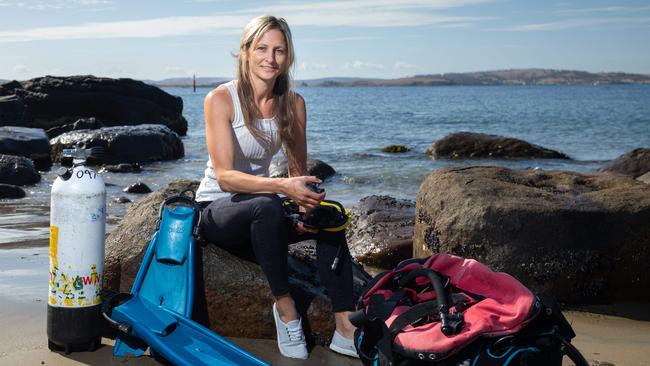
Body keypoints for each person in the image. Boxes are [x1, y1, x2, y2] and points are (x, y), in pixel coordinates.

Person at [195, 15, 358, 359]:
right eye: (262, 49)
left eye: (279, 51)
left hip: (265, 211)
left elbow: (299, 170)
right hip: (217, 210)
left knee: (332, 216)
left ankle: (345, 326)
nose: (271, 58)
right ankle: (286, 311)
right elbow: (225, 176)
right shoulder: (220, 100)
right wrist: (283, 188)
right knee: (267, 204)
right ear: (246, 51)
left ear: (289, 57)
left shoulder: (294, 104)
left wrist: (305, 205)